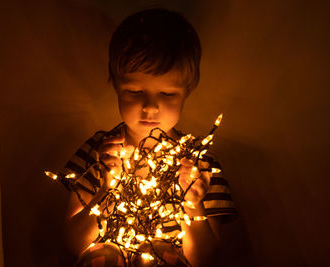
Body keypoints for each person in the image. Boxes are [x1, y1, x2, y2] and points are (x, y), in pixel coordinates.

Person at [63, 8, 236, 267]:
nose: (150, 107)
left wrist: (193, 205)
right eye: (134, 91)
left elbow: (203, 260)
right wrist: (106, 190)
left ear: (187, 90)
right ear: (116, 85)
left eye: (167, 94)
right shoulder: (98, 154)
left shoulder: (200, 167)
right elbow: (74, 246)